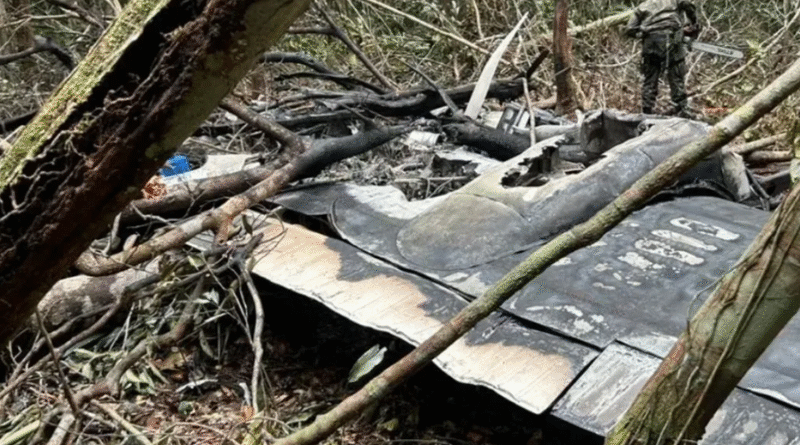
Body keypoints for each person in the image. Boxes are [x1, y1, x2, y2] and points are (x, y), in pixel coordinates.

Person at [625, 0, 699, 117]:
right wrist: (693, 22)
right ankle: (682, 108)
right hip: (673, 39)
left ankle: (647, 110)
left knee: (650, 78)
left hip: (651, 43)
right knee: (676, 76)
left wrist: (645, 34)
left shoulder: (643, 6)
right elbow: (689, 6)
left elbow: (630, 29)